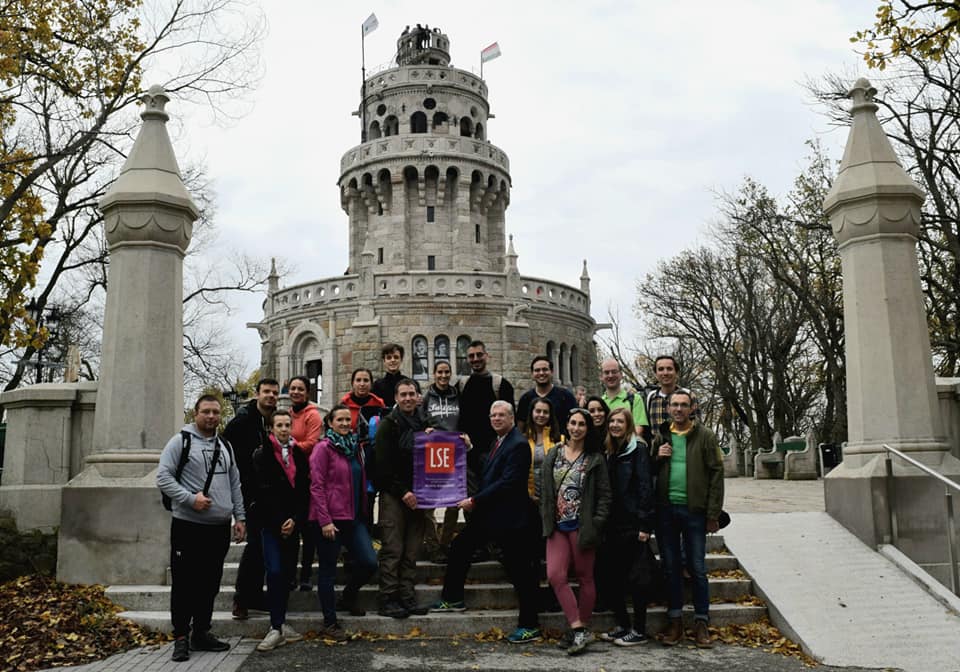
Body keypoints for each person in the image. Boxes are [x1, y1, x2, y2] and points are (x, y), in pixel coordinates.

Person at [429, 401, 543, 645]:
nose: (496, 419)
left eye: (501, 415)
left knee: (521, 572)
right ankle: (453, 598)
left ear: (512, 418)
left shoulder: (518, 444)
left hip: (511, 519)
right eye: (493, 415)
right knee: (460, 547)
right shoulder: (499, 441)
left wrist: (475, 500)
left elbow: (508, 482)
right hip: (491, 516)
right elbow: (488, 469)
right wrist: (469, 449)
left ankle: (529, 626)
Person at [157, 394, 246, 663]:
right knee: (185, 584)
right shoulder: (180, 442)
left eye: (215, 412)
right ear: (195, 413)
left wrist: (240, 518)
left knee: (209, 584)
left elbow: (235, 483)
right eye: (206, 411)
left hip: (218, 528)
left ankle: (201, 632)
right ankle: (181, 637)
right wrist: (189, 499)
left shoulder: (225, 445)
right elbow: (163, 477)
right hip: (188, 526)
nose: (211, 416)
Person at [653, 390, 724, 649]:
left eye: (684, 405)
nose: (679, 409)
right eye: (674, 405)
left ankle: (701, 622)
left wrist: (713, 514)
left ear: (692, 408)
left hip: (695, 511)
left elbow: (716, 473)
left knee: (697, 567)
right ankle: (675, 621)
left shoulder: (705, 436)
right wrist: (657, 457)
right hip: (666, 510)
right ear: (668, 408)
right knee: (671, 567)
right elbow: (649, 470)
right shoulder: (661, 435)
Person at [540, 407, 611, 656]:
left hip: (582, 527)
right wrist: (546, 515)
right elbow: (545, 488)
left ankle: (580, 629)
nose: (576, 428)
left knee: (585, 577)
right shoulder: (554, 453)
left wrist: (597, 523)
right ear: (567, 425)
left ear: (588, 429)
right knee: (555, 575)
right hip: (557, 526)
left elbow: (605, 496)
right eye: (573, 423)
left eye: (582, 424)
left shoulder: (595, 458)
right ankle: (578, 627)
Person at [310, 405, 378, 641]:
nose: (345, 423)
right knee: (327, 571)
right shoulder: (323, 448)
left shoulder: (355, 448)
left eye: (348, 419)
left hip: (354, 518)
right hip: (330, 521)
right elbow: (316, 486)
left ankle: (348, 597)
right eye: (339, 419)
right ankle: (330, 622)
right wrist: (325, 520)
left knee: (369, 562)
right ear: (330, 423)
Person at [596, 407, 655, 647]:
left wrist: (645, 524)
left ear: (628, 424)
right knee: (613, 577)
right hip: (613, 523)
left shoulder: (637, 449)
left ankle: (639, 630)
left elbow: (645, 487)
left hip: (633, 523)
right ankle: (622, 625)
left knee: (637, 579)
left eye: (620, 421)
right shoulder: (611, 449)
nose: (615, 425)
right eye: (612, 421)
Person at [373, 378, 431, 618]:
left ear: (418, 397)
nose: (408, 398)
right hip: (395, 495)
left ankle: (407, 596)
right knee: (393, 548)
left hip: (420, 496)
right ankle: (388, 598)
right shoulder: (388, 425)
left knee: (412, 550)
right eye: (403, 394)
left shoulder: (425, 424)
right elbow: (381, 465)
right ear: (396, 398)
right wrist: (403, 491)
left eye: (411, 394)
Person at [223, 378, 280, 620]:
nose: (271, 396)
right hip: (250, 492)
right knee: (255, 545)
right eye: (266, 392)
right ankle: (242, 599)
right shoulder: (243, 422)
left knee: (262, 546)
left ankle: (254, 595)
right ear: (257, 394)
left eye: (274, 393)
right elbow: (228, 455)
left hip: (269, 493)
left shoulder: (273, 420)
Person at [253, 409, 309, 652]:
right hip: (271, 523)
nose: (285, 429)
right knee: (274, 571)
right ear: (271, 428)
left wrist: (295, 520)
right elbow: (262, 491)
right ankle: (275, 627)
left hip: (293, 525)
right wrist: (280, 521)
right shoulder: (261, 454)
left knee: (286, 574)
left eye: (288, 425)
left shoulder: (299, 454)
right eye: (280, 425)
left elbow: (304, 490)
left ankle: (281, 622)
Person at [457, 340, 514, 487]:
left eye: (479, 354)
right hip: (468, 452)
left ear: (487, 356)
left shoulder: (501, 384)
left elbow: (511, 421)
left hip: (494, 452)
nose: (475, 359)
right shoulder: (462, 385)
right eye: (471, 356)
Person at [420, 360, 462, 556]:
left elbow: (463, 419)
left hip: (455, 452)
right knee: (429, 501)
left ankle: (445, 542)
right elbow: (420, 420)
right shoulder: (427, 397)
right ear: (434, 374)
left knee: (454, 501)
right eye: (440, 372)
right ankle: (432, 545)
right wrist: (425, 429)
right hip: (432, 452)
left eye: (446, 372)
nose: (443, 376)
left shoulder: (457, 395)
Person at [287, 375, 322, 592]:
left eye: (300, 389)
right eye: (293, 388)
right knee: (292, 528)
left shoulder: (313, 415)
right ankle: (291, 574)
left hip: (307, 477)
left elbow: (311, 443)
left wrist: (288, 445)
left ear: (307, 392)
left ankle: (306, 574)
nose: (296, 392)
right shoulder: (287, 415)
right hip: (289, 478)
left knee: (308, 529)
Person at [515, 355, 577, 433]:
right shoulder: (525, 399)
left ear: (552, 372)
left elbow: (575, 422)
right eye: (537, 370)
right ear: (532, 374)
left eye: (545, 369)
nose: (541, 373)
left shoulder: (566, 396)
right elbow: (520, 428)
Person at [645, 356, 700, 430]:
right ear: (656, 374)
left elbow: (698, 427)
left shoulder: (689, 395)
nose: (665, 373)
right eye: (661, 369)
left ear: (676, 373)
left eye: (669, 369)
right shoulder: (651, 397)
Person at [599, 358, 649, 439]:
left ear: (621, 374)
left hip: (629, 445)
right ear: (601, 376)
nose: (610, 375)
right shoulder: (599, 403)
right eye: (606, 372)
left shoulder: (635, 399)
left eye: (614, 372)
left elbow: (638, 429)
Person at [372, 343, 420, 409]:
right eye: (389, 358)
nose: (393, 360)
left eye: (396, 357)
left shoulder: (412, 384)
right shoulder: (377, 386)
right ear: (384, 361)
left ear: (401, 360)